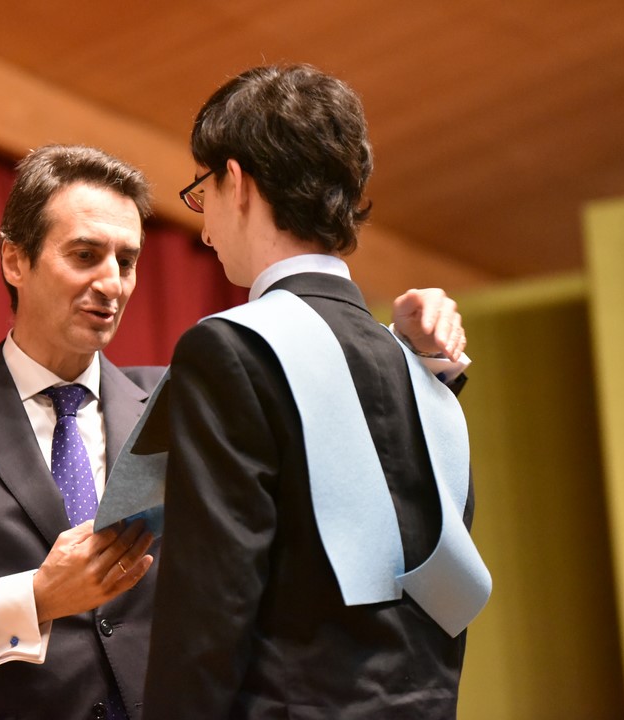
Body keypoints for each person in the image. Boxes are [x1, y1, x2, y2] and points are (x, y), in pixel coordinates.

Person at [0, 143, 469, 720]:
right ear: (15, 259)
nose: (112, 283)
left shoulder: (186, 394)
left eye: (127, 260)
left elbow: (329, 439)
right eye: (85, 255)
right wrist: (35, 598)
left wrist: (410, 354)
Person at [141, 64, 487, 719]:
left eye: (201, 193)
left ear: (238, 183)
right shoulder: (421, 363)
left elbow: (211, 597)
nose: (204, 229)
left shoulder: (230, 349)